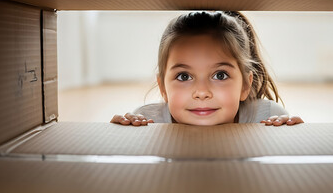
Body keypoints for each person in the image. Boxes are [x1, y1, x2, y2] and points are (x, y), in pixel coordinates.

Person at [110, 11, 304, 127]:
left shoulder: (267, 117)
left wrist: (294, 138)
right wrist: (119, 138)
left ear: (245, 85)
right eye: (184, 76)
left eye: (220, 75)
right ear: (162, 88)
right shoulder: (147, 121)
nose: (202, 92)